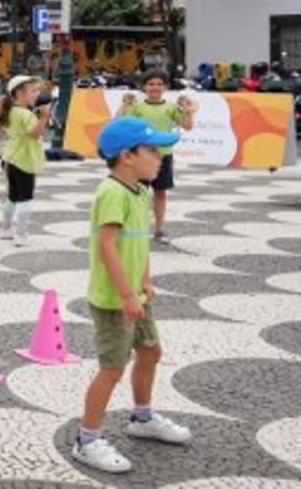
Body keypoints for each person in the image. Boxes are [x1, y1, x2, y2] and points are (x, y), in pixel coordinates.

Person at [73, 116, 193, 474]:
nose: (160, 157)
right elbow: (107, 246)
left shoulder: (140, 191)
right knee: (112, 368)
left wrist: (144, 282)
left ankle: (142, 418)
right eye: (152, 150)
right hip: (114, 300)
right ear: (127, 156)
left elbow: (138, 243)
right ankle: (87, 439)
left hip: (135, 295)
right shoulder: (112, 192)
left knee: (151, 352)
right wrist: (126, 295)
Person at [115, 70, 196, 244]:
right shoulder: (137, 106)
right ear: (143, 87)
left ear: (166, 87)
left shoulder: (171, 107)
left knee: (160, 193)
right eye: (151, 84)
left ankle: (159, 229)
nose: (155, 87)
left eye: (159, 84)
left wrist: (188, 110)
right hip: (141, 157)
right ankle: (135, 227)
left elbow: (187, 126)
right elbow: (120, 122)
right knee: (137, 194)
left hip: (163, 157)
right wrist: (124, 104)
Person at [0, 75, 51, 246]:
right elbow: (35, 134)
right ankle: (21, 234)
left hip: (9, 159)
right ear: (19, 93)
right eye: (33, 91)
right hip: (24, 161)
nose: (37, 94)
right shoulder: (26, 115)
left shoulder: (10, 111)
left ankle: (6, 229)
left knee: (12, 197)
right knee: (25, 198)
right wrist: (44, 117)